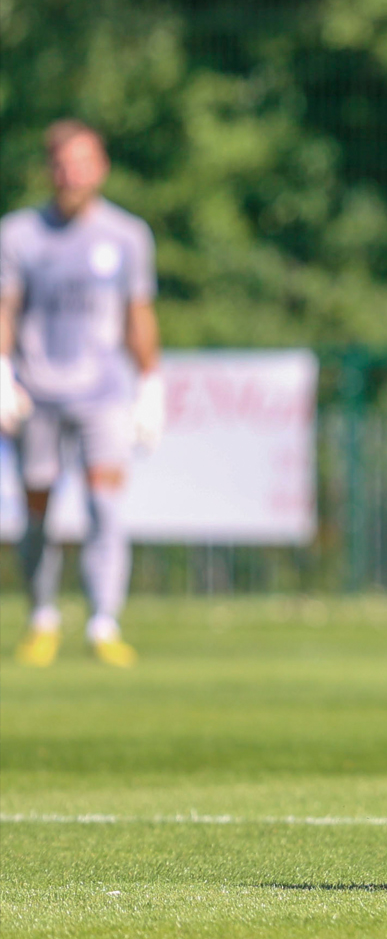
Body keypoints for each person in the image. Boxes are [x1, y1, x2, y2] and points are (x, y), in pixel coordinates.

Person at [5, 120, 163, 668]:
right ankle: (42, 617)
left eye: (83, 162)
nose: (72, 173)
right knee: (38, 509)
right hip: (38, 395)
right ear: (50, 169)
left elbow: (137, 313)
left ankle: (103, 622)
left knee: (105, 504)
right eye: (63, 163)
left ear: (101, 168)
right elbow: (5, 309)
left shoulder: (127, 236)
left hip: (104, 394)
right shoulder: (18, 236)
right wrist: (2, 373)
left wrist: (150, 384)